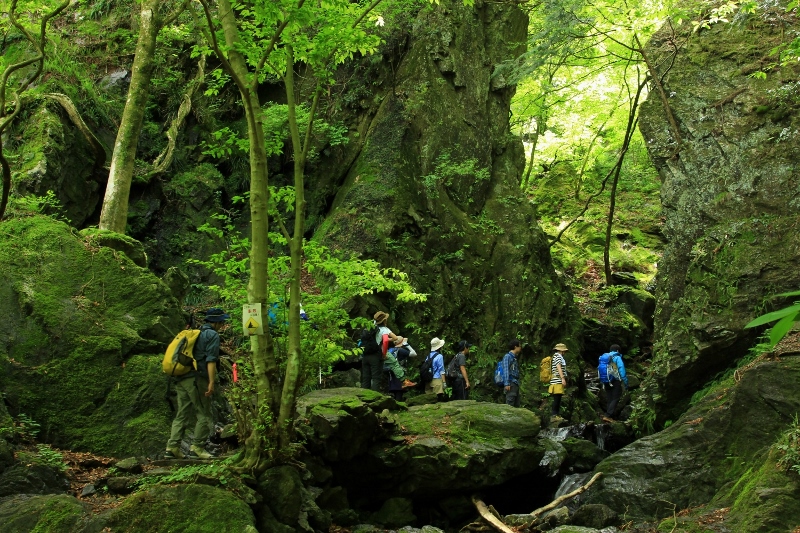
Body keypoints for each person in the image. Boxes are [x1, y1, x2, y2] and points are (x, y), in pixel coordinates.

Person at [165, 307, 228, 460]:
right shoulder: (212, 335)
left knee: (182, 414)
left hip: (182, 379)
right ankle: (197, 447)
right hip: (197, 379)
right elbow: (211, 360)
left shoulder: (195, 332)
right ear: (217, 322)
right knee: (204, 413)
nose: (222, 325)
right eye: (222, 322)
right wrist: (211, 382)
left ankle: (172, 448)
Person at [598, 344, 628, 422]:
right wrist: (625, 381)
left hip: (606, 380)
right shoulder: (617, 357)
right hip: (615, 380)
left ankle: (609, 415)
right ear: (617, 350)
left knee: (610, 398)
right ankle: (608, 415)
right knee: (616, 398)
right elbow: (621, 368)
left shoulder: (605, 357)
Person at [549, 343, 569, 422]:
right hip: (557, 380)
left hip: (557, 380)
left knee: (558, 398)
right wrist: (563, 378)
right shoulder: (557, 357)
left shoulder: (558, 356)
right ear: (561, 350)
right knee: (557, 398)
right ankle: (554, 415)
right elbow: (559, 368)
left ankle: (556, 414)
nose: (565, 353)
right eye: (564, 351)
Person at [501, 339, 522, 407]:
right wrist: (506, 383)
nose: (520, 348)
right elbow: (506, 370)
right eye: (519, 346)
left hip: (515, 383)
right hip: (511, 383)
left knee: (516, 404)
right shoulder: (508, 357)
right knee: (510, 403)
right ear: (515, 347)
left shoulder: (514, 358)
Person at [425, 337, 447, 402]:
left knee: (429, 401)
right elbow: (441, 370)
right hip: (437, 380)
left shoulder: (428, 356)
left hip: (428, 380)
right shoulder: (439, 356)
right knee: (438, 400)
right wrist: (444, 382)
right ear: (439, 347)